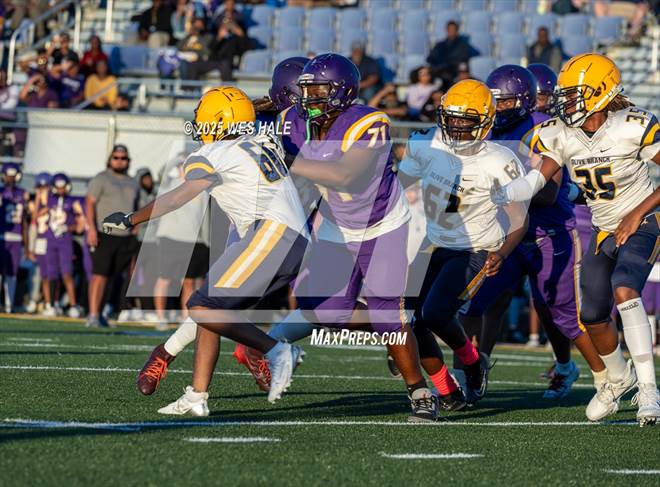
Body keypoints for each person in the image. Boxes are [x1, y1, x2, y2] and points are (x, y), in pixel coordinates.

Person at [255, 54, 439, 421]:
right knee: (325, 311)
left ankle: (420, 391)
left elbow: (345, 175)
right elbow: (258, 115)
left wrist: (284, 158)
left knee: (387, 316)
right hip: (336, 224)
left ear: (342, 91)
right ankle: (401, 325)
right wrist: (245, 113)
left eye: (319, 90)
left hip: (382, 225)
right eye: (306, 90)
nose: (310, 98)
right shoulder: (293, 119)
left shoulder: (369, 122)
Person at [104, 86, 308, 413]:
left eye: (204, 119)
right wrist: (254, 105)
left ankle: (276, 350)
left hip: (272, 233)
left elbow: (178, 196)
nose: (199, 126)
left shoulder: (214, 153)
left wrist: (132, 218)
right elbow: (250, 117)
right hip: (293, 240)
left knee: (202, 306)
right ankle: (196, 397)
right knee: (211, 308)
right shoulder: (262, 138)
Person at [493, 53, 660, 426]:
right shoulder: (563, 133)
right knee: (592, 316)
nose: (564, 102)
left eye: (573, 94)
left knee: (625, 290)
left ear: (601, 93)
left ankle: (649, 388)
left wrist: (636, 214)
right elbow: (536, 180)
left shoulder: (631, 126)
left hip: (644, 220)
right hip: (603, 229)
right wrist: (501, 193)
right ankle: (619, 378)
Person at [460, 65, 607, 401]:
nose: (498, 109)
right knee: (473, 303)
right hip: (506, 235)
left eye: (505, 102)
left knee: (558, 313)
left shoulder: (545, 128)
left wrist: (497, 191)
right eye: (495, 102)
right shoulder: (489, 130)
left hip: (549, 233)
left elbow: (549, 193)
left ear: (523, 101)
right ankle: (468, 374)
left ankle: (599, 375)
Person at [398, 79, 528, 406]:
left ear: (484, 122)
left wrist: (502, 252)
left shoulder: (497, 160)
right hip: (432, 243)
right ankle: (447, 390)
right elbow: (398, 186)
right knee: (409, 318)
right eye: (451, 118)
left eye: (464, 120)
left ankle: (472, 362)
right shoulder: (427, 143)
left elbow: (519, 219)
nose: (455, 127)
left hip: (475, 249)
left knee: (435, 314)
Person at [85, 144, 140, 328]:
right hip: (104, 233)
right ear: (110, 159)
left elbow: (137, 207)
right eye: (116, 157)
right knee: (99, 275)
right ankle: (92, 314)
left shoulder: (133, 182)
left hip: (125, 237)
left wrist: (136, 226)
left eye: (123, 158)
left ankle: (100, 313)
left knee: (111, 277)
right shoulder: (101, 178)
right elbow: (90, 203)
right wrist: (91, 229)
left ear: (128, 161)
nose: (119, 161)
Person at [43, 173, 84, 318]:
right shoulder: (49, 200)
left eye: (63, 186)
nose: (60, 189)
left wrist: (67, 228)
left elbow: (79, 226)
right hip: (51, 239)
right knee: (51, 274)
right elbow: (38, 215)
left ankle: (73, 305)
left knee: (67, 273)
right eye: (58, 187)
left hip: (65, 240)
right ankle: (52, 304)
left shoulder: (73, 202)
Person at [184, 1, 250, 81]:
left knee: (225, 65)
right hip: (215, 60)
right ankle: (189, 88)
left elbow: (246, 47)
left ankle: (228, 89)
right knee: (193, 65)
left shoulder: (239, 23)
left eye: (231, 3)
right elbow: (211, 49)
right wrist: (219, 37)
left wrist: (237, 31)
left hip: (229, 62)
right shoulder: (217, 26)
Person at [0, 163, 29, 312]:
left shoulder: (23, 194)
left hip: (16, 238)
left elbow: (25, 221)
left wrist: (27, 245)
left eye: (12, 176)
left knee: (12, 273)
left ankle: (9, 303)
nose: (10, 179)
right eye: (8, 175)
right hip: (2, 236)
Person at [426, 21, 475, 88]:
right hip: (439, 72)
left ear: (457, 30)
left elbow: (463, 61)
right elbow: (430, 58)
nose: (451, 31)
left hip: (453, 73)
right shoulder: (440, 45)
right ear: (447, 30)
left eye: (453, 29)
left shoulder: (463, 45)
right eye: (449, 29)